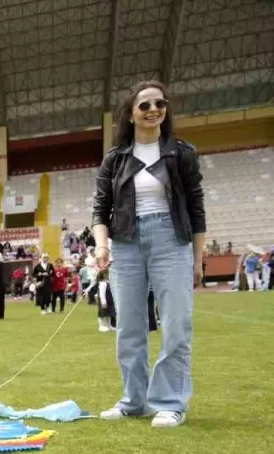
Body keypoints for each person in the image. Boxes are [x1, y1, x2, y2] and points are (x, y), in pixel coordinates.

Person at [92, 80, 204, 429]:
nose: (154, 110)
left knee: (175, 324)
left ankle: (171, 403)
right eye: (145, 105)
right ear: (131, 113)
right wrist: (101, 245)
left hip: (171, 239)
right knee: (128, 326)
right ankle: (134, 401)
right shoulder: (115, 158)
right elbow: (101, 209)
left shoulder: (181, 152)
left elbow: (196, 207)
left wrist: (197, 257)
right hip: (125, 242)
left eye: (160, 103)